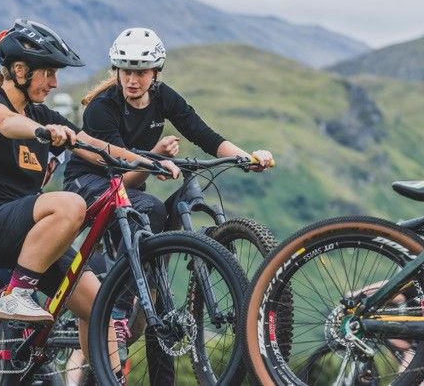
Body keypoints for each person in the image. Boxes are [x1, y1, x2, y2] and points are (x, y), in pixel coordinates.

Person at [0, 19, 178, 380]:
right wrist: (41, 131)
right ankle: (17, 295)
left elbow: (95, 147)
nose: (55, 83)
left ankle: (106, 377)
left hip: (27, 236)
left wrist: (147, 161)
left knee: (97, 305)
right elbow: (7, 124)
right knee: (71, 203)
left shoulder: (42, 113)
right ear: (20, 70)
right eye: (49, 73)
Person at [63, 27, 274, 383]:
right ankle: (118, 305)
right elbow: (118, 164)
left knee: (154, 223)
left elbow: (203, 134)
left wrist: (246, 157)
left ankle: (150, 284)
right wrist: (153, 161)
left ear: (155, 73)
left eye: (141, 72)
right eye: (126, 70)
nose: (132, 79)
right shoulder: (102, 108)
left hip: (131, 187)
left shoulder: (164, 98)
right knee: (151, 210)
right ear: (116, 71)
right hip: (91, 184)